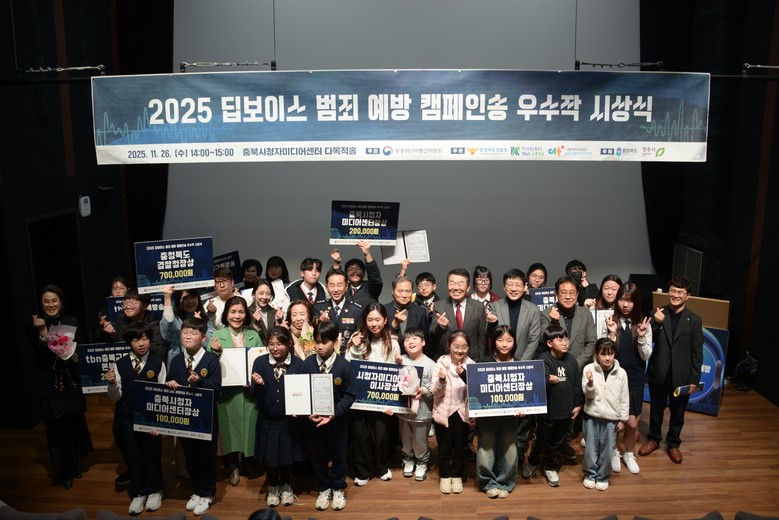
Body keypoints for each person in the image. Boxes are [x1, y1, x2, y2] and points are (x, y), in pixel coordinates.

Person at [30, 285, 92, 489]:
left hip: (70, 379)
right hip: (49, 383)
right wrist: (42, 333)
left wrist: (71, 357)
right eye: (46, 301)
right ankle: (63, 469)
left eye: (54, 300)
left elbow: (80, 349)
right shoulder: (36, 324)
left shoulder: (71, 321)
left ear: (61, 302)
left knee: (73, 423)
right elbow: (39, 356)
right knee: (55, 429)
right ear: (41, 304)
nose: (51, 305)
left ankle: (74, 465)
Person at [639, 276, 703, 465]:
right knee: (656, 409)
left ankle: (673, 444)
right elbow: (646, 339)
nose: (675, 295)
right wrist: (657, 323)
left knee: (678, 413)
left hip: (681, 375)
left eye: (680, 292)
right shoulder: (657, 313)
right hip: (659, 371)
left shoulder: (694, 320)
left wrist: (694, 380)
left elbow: (697, 353)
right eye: (673, 291)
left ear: (687, 296)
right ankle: (653, 439)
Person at [106, 322, 167, 514]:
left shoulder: (157, 363)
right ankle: (139, 492)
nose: (141, 343)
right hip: (127, 418)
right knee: (133, 456)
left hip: (149, 420)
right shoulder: (120, 364)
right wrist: (112, 384)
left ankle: (155, 490)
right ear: (128, 342)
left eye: (145, 338)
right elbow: (116, 397)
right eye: (135, 339)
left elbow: (162, 394)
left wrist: (159, 423)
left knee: (152, 455)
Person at [484, 269, 541, 467]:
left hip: (523, 366)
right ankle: (499, 456)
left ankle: (517, 456)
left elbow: (534, 340)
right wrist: (492, 325)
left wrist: (520, 364)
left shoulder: (533, 309)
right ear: (504, 286)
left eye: (518, 284)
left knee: (522, 416)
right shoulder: (494, 306)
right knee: (501, 413)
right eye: (510, 284)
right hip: (499, 366)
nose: (514, 288)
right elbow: (489, 335)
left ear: (525, 287)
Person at [166, 317, 222, 516]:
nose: (188, 336)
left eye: (194, 333)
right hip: (185, 419)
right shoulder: (176, 360)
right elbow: (169, 381)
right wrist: (169, 384)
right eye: (185, 332)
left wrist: (200, 382)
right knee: (190, 456)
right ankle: (197, 490)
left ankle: (208, 493)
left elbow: (217, 390)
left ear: (203, 337)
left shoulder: (211, 360)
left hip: (206, 419)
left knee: (206, 457)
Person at [344, 302, 402, 486]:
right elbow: (348, 366)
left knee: (381, 435)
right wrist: (354, 348)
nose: (374, 324)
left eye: (377, 319)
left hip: (382, 400)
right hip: (360, 398)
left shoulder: (393, 342)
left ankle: (381, 467)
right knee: (360, 435)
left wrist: (392, 404)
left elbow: (396, 374)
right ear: (365, 321)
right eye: (370, 320)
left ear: (385, 320)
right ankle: (363, 471)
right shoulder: (357, 339)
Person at [539, 276, 596, 460]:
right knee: (554, 408)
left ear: (578, 294)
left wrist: (574, 365)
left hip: (577, 368)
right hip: (553, 369)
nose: (568, 296)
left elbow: (591, 343)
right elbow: (544, 340)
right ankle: (547, 446)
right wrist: (553, 322)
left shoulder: (585, 314)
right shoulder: (547, 313)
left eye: (572, 292)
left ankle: (565, 442)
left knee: (571, 408)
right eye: (563, 292)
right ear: (556, 294)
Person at [209, 296, 263, 486]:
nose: (237, 316)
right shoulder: (217, 335)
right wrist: (214, 352)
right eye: (233, 312)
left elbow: (261, 363)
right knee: (229, 431)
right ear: (226, 314)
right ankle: (232, 465)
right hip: (227, 396)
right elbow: (208, 367)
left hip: (249, 394)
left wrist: (253, 380)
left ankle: (248, 462)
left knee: (250, 429)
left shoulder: (254, 335)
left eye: (241, 312)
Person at [302, 322, 356, 511]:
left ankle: (338, 487)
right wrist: (308, 413)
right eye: (317, 342)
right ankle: (323, 488)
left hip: (338, 422)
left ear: (335, 342)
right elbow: (302, 392)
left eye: (324, 342)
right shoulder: (307, 364)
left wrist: (334, 412)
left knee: (339, 455)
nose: (319, 347)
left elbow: (350, 395)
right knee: (318, 455)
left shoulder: (344, 366)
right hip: (314, 421)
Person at [250, 327, 305, 508]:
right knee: (271, 456)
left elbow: (304, 392)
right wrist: (259, 385)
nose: (275, 348)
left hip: (290, 420)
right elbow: (254, 394)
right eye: (271, 344)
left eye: (280, 344)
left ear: (288, 344)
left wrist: (300, 408)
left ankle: (287, 485)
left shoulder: (298, 364)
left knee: (288, 455)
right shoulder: (260, 363)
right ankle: (273, 486)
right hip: (268, 418)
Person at [523, 323, 583, 487]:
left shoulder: (571, 359)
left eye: (566, 339)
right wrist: (548, 380)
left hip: (566, 411)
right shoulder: (543, 359)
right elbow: (536, 383)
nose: (565, 342)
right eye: (559, 339)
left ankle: (551, 466)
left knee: (558, 442)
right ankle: (533, 462)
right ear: (549, 343)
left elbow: (576, 384)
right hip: (547, 412)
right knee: (541, 440)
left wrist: (578, 404)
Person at [604, 282, 652, 474]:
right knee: (615, 420)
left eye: (630, 301)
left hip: (635, 377)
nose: (625, 305)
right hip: (614, 376)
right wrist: (611, 334)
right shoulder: (609, 319)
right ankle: (614, 451)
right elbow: (605, 354)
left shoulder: (643, 323)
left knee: (632, 423)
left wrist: (641, 337)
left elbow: (646, 355)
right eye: (622, 300)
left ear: (636, 302)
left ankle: (629, 453)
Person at [475, 325, 522, 498]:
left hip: (510, 417)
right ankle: (487, 482)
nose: (504, 344)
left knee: (509, 449)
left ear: (514, 342)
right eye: (500, 340)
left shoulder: (520, 365)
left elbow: (524, 393)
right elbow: (477, 390)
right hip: (487, 417)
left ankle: (505, 482)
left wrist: (524, 408)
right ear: (494, 341)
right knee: (486, 449)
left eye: (509, 340)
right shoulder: (484, 362)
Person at [581, 337, 629, 491]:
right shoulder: (589, 369)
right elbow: (588, 395)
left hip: (611, 419)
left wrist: (623, 419)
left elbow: (624, 398)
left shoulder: (621, 373)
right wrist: (590, 383)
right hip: (591, 416)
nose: (607, 358)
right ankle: (590, 474)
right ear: (596, 354)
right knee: (590, 449)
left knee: (607, 450)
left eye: (611, 353)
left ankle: (603, 476)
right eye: (603, 354)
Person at [432, 330, 475, 495]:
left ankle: (457, 474)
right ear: (449, 346)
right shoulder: (441, 364)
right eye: (456, 346)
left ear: (468, 348)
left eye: (464, 347)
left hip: (462, 413)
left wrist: (474, 415)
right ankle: (444, 474)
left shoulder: (471, 365)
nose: (460, 350)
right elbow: (434, 392)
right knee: (444, 446)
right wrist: (442, 380)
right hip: (444, 412)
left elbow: (476, 392)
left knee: (460, 446)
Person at [397, 328, 436, 482]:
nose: (411, 342)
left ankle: (421, 461)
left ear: (423, 342)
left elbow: (435, 389)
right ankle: (408, 458)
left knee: (420, 440)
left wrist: (423, 390)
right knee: (406, 438)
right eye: (407, 340)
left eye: (415, 338)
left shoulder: (430, 364)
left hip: (423, 412)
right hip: (403, 411)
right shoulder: (400, 361)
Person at [429, 268, 487, 360]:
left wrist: (481, 361)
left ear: (468, 287)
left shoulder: (478, 307)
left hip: (472, 359)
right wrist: (440, 327)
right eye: (452, 283)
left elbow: (482, 339)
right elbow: (432, 335)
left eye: (460, 283)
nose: (456, 288)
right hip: (447, 361)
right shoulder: (439, 306)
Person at [100, 288, 168, 363]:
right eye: (126, 302)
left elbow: (159, 351)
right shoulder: (120, 322)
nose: (128, 306)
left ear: (145, 305)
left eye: (133, 303)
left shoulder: (154, 324)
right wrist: (112, 336)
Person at [314, 269, 364, 352]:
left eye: (339, 285)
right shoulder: (319, 308)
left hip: (347, 355)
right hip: (325, 354)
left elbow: (360, 337)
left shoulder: (356, 310)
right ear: (327, 287)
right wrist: (320, 323)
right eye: (332, 285)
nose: (336, 289)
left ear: (346, 286)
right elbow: (312, 336)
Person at [161, 285, 207, 366]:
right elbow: (168, 333)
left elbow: (209, 342)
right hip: (178, 364)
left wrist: (200, 325)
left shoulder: (204, 317)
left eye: (193, 297)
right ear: (179, 300)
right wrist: (167, 298)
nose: (190, 301)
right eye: (185, 298)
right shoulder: (175, 320)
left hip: (202, 363)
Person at [383, 276, 430, 352]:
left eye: (408, 291)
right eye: (400, 291)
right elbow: (379, 338)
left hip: (413, 356)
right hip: (389, 355)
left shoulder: (420, 312)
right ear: (393, 291)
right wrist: (394, 325)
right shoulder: (383, 310)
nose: (404, 295)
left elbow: (425, 340)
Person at [330, 240, 383, 308]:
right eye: (350, 269)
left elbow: (374, 276)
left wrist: (367, 254)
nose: (354, 272)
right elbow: (333, 279)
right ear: (346, 274)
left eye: (358, 269)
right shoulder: (343, 288)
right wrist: (336, 264)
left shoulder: (371, 288)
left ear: (364, 273)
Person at [249, 279, 285, 345]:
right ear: (253, 294)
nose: (265, 297)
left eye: (268, 294)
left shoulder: (275, 312)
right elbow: (248, 337)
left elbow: (279, 337)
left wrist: (278, 323)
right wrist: (256, 325)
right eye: (261, 293)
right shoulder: (247, 312)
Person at [205, 267, 240, 333]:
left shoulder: (244, 300)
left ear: (232, 282)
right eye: (218, 282)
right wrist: (210, 314)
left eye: (225, 281)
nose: (222, 285)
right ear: (214, 286)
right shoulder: (209, 304)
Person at [591, 275, 623, 340]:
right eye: (606, 288)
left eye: (614, 289)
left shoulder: (624, 309)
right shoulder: (593, 307)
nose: (609, 292)